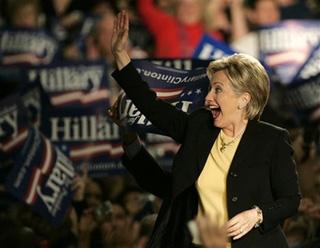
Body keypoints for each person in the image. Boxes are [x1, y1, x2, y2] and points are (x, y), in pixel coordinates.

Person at [110, 10, 301, 248]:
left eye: (218, 89)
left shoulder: (272, 140)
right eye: (210, 89)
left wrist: (257, 214)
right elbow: (151, 107)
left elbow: (291, 199)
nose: (208, 97)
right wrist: (120, 54)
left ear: (244, 99)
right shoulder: (200, 126)